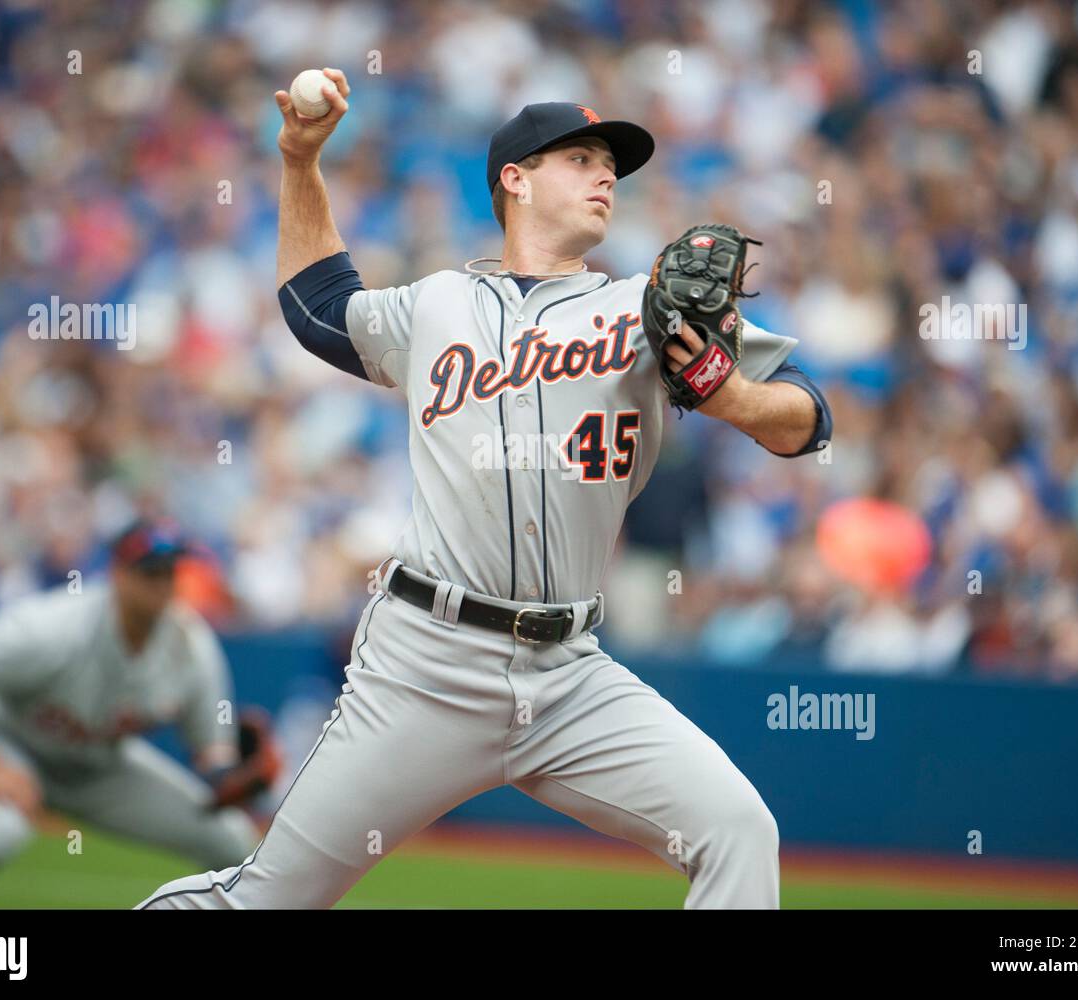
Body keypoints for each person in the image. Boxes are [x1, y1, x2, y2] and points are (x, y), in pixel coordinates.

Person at [138, 69, 832, 910]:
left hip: (571, 674)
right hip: (426, 664)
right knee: (264, 901)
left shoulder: (642, 310)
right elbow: (318, 307)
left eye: (611, 163)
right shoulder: (436, 305)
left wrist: (738, 398)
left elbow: (807, 417)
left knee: (738, 831)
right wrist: (299, 161)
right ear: (516, 178)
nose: (606, 174)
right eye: (580, 157)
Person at [0, 519, 261, 908]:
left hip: (98, 767)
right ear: (117, 573)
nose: (162, 582)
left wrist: (237, 780)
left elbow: (211, 754)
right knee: (0, 828)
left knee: (232, 838)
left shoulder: (190, 644)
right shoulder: (54, 627)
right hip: (9, 744)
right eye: (150, 570)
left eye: (170, 570)